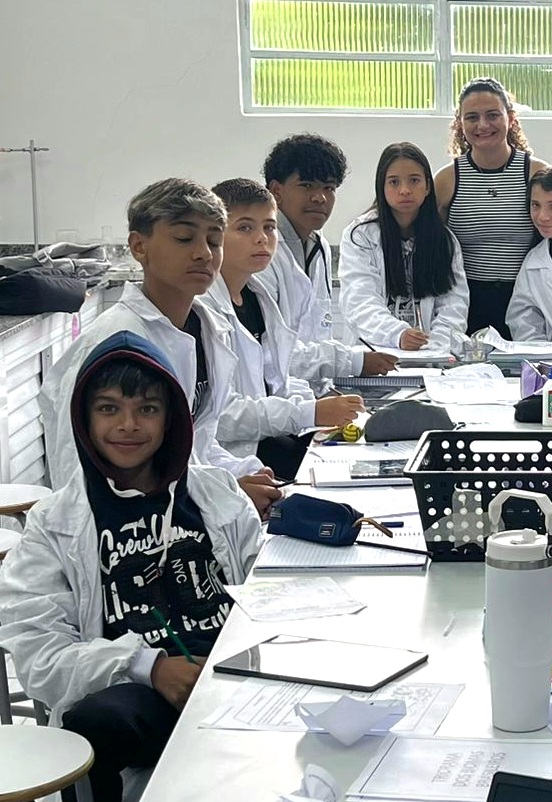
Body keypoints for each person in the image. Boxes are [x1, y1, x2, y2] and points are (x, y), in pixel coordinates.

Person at [0, 332, 262, 802]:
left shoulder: (216, 494)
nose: (128, 425)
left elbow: (266, 592)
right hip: (140, 694)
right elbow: (40, 658)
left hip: (235, 675)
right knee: (99, 721)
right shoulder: (54, 525)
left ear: (171, 420)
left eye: (147, 409)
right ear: (83, 419)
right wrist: (150, 666)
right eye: (108, 409)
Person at [38, 178, 283, 516]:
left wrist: (239, 473)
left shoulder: (207, 329)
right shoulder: (114, 345)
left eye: (214, 240)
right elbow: (84, 479)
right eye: (184, 238)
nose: (203, 254)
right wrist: (225, 494)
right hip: (127, 536)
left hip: (186, 514)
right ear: (139, 247)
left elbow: (197, 444)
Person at [205, 178, 364, 480]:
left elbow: (276, 381)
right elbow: (221, 417)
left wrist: (317, 409)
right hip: (232, 459)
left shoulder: (257, 298)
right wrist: (309, 413)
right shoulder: (204, 310)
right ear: (213, 236)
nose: (262, 239)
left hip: (264, 442)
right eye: (245, 228)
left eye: (269, 227)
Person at [259, 133, 397, 384]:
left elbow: (318, 333)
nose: (320, 198)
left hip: (308, 392)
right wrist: (351, 361)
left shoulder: (318, 244)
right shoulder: (261, 252)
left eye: (329, 188)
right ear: (276, 191)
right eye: (307, 186)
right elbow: (268, 357)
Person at [434, 77, 551, 336]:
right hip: (464, 301)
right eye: (472, 117)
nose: (483, 125)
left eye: (492, 115)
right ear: (459, 123)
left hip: (526, 299)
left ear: (510, 118)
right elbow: (428, 241)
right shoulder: (447, 179)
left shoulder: (535, 172)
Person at [339, 143, 469, 354]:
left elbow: (454, 305)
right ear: (381, 187)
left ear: (427, 186)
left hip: (431, 357)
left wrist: (435, 345)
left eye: (414, 180)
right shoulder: (360, 236)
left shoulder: (444, 240)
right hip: (374, 355)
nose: (405, 190)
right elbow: (359, 300)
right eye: (394, 182)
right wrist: (397, 334)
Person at [506, 164, 552, 342]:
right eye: (535, 205)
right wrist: (544, 353)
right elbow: (523, 318)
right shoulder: (534, 260)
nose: (542, 216)